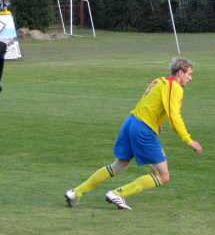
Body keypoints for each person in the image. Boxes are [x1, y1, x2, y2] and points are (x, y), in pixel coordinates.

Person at [65, 57, 203, 209]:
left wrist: (158, 122)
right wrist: (189, 140)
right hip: (143, 130)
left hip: (131, 123)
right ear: (181, 72)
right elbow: (174, 117)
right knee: (163, 177)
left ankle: (76, 192)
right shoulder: (175, 87)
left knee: (118, 166)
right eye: (189, 74)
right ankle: (118, 194)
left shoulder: (159, 81)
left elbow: (150, 103)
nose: (191, 78)